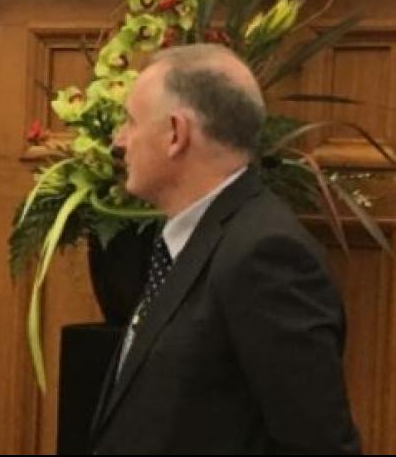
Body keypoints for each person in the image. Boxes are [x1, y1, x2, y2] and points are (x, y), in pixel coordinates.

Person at [91, 43, 360, 453]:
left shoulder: (266, 254)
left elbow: (316, 443)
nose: (119, 141)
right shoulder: (188, 241)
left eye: (130, 122)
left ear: (175, 134)